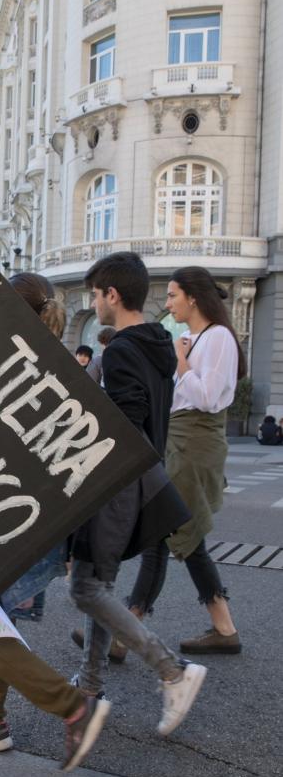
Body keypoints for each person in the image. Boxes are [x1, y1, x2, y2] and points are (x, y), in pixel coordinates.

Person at [0, 273, 111, 773]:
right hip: (39, 522)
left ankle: (72, 705)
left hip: (16, 521)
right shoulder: (61, 367)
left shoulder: (13, 367)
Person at [69, 253, 207, 734]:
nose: (93, 303)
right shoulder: (158, 346)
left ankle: (173, 671)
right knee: (95, 585)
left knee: (86, 587)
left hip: (116, 484)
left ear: (112, 295)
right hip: (137, 481)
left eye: (95, 294)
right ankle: (89, 686)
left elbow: (127, 423)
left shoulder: (123, 351)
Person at [123, 267, 245, 654]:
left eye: (174, 295)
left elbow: (208, 398)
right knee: (177, 534)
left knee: (169, 531)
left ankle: (125, 634)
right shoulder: (197, 339)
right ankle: (222, 629)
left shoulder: (219, 337)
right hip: (182, 441)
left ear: (193, 297)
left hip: (196, 444)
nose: (169, 302)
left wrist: (181, 361)